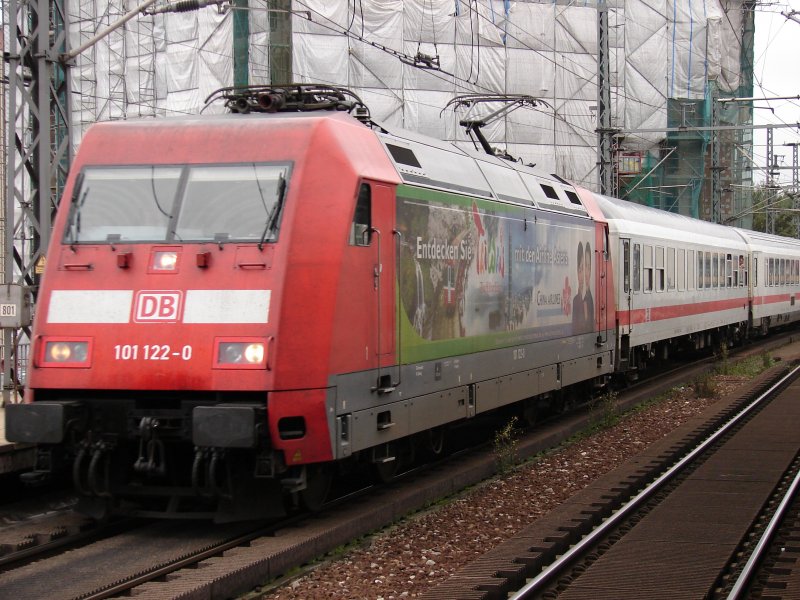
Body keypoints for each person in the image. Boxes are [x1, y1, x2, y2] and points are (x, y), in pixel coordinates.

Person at [572, 242, 585, 332]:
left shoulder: (589, 300)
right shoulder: (576, 300)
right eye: (580, 269)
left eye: (585, 268)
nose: (583, 275)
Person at [583, 241, 594, 330]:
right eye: (584, 267)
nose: (586, 273)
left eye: (588, 267)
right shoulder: (578, 300)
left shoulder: (591, 299)